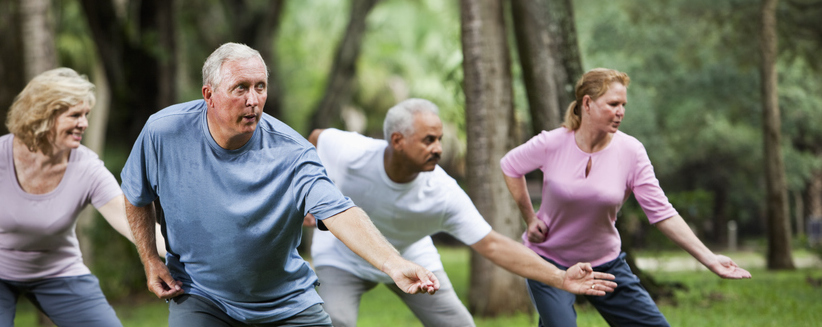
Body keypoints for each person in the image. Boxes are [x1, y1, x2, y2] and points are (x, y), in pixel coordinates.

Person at [120, 43, 439, 327]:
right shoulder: (163, 133)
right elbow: (136, 193)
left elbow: (339, 212)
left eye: (260, 87)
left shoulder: (292, 152)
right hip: (202, 296)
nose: (253, 100)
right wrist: (150, 260)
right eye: (240, 88)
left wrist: (393, 263)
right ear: (209, 96)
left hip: (284, 302)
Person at [304, 98, 618, 327]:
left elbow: (492, 245)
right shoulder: (352, 153)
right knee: (335, 323)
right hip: (342, 253)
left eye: (439, 139)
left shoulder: (443, 191)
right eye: (429, 140)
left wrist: (560, 277)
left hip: (412, 258)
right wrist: (304, 196)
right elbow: (316, 139)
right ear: (397, 141)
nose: (439, 148)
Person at [500, 68, 752, 327]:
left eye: (623, 104)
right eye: (613, 104)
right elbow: (510, 166)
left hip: (605, 265)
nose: (621, 111)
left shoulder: (631, 151)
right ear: (587, 103)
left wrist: (710, 259)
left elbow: (662, 212)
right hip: (549, 263)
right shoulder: (551, 143)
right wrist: (530, 218)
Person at [0, 68, 164, 326]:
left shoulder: (86, 168)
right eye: (75, 115)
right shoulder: (2, 155)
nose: (84, 124)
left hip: (59, 272)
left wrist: (188, 251)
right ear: (44, 114)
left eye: (86, 115)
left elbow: (132, 221)